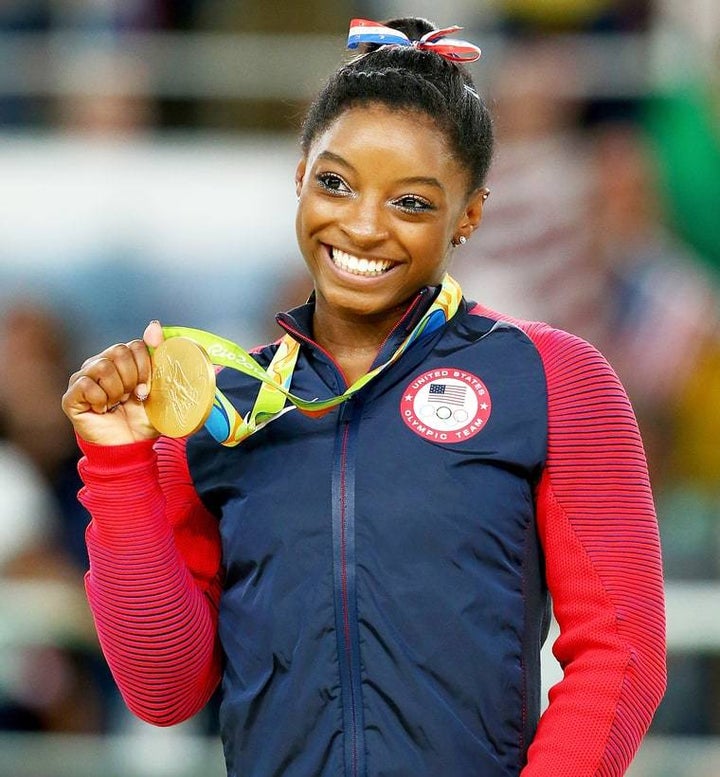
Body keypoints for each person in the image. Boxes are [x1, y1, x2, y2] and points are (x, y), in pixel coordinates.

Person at [61, 17, 666, 777]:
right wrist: (119, 464)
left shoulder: (551, 379)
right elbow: (164, 687)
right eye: (336, 182)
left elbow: (622, 650)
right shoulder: (220, 406)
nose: (363, 225)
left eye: (412, 202)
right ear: (299, 175)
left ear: (470, 213)